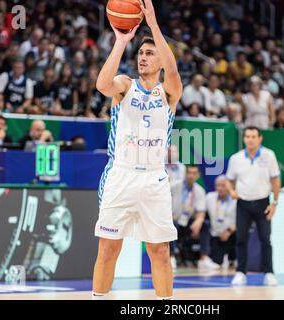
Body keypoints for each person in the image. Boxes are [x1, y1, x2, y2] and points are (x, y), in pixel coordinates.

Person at [92, 0, 182, 301]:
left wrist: (154, 26)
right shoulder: (125, 85)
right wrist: (121, 41)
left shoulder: (168, 91)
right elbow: (102, 84)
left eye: (149, 53)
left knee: (160, 249)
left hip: (154, 180)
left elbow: (173, 69)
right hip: (121, 176)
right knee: (108, 248)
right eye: (141, 53)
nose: (143, 57)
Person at [226, 126, 281, 286]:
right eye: (247, 136)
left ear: (260, 138)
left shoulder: (269, 156)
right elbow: (229, 179)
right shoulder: (236, 158)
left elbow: (276, 180)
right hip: (243, 203)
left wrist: (274, 203)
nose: (250, 139)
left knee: (265, 239)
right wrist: (231, 190)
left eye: (253, 136)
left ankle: (269, 272)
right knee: (241, 239)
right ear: (244, 139)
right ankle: (240, 272)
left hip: (263, 202)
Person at [170, 165, 217, 270]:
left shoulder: (199, 191)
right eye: (189, 173)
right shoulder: (174, 186)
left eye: (194, 173)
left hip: (187, 223)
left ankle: (203, 258)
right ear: (185, 173)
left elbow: (201, 212)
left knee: (205, 224)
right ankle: (171, 257)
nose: (191, 176)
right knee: (171, 223)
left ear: (198, 175)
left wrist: (199, 221)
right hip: (173, 220)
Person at [206, 175, 237, 268]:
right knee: (217, 262)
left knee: (241, 233)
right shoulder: (210, 197)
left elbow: (242, 221)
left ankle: (235, 258)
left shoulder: (235, 199)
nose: (220, 188)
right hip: (216, 235)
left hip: (231, 234)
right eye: (218, 185)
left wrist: (229, 231)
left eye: (223, 185)